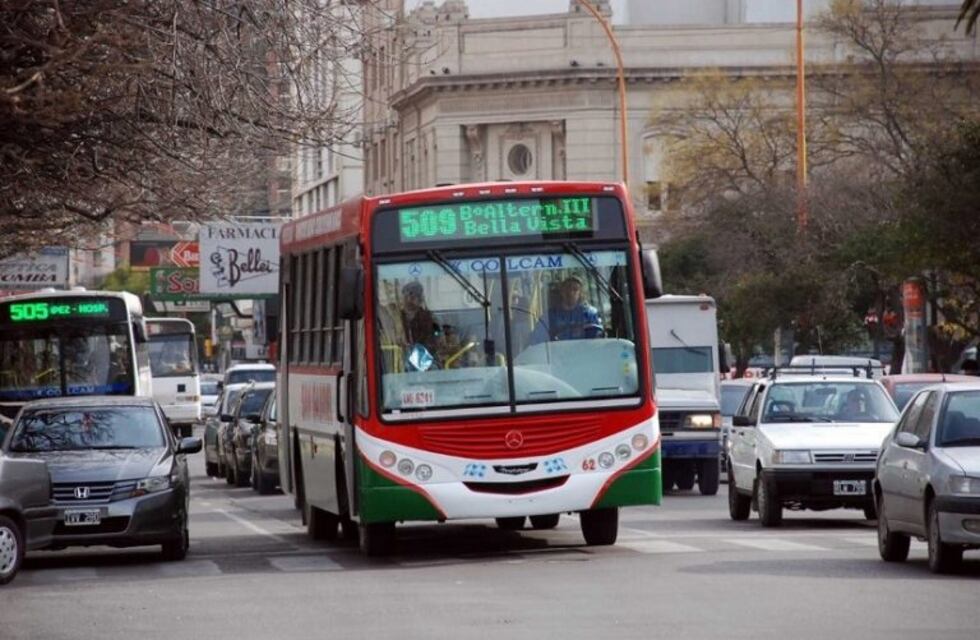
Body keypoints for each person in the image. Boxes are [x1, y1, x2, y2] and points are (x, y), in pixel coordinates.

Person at [530, 275, 602, 343]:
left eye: (575, 289)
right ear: (562, 291)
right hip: (556, 353)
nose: (570, 292)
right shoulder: (550, 316)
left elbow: (597, 339)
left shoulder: (589, 314)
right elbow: (537, 339)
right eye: (567, 288)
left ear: (580, 293)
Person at [399, 281, 441, 356]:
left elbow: (437, 338)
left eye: (412, 297)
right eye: (406, 296)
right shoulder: (397, 317)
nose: (409, 300)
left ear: (420, 298)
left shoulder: (429, 318)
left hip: (424, 358)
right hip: (400, 359)